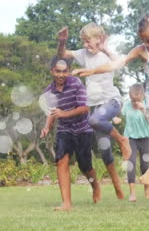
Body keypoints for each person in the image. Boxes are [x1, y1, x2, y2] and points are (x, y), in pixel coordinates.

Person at [72, 14, 149, 185]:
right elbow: (117, 64)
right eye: (143, 40)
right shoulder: (141, 50)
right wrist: (93, 71)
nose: (147, 44)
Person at [57, 23, 130, 199]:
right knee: (105, 151)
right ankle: (117, 188)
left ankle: (122, 139)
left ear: (99, 39)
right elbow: (62, 55)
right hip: (95, 106)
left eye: (88, 41)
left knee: (94, 120)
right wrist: (62, 41)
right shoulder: (84, 54)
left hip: (112, 101)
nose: (85, 45)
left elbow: (121, 63)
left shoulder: (107, 54)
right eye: (83, 42)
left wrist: (105, 50)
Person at [40, 56, 100, 211]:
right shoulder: (48, 92)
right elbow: (52, 113)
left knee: (85, 166)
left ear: (68, 72)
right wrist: (47, 127)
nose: (61, 75)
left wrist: (64, 114)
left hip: (83, 128)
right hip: (64, 130)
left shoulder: (76, 84)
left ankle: (95, 186)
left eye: (64, 71)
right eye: (58, 71)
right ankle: (66, 203)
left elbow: (85, 108)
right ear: (52, 71)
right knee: (61, 161)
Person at [120, 83, 149, 202]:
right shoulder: (127, 106)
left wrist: (143, 110)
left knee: (145, 165)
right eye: (133, 100)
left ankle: (147, 188)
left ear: (142, 97)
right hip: (130, 138)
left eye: (137, 100)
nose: (135, 103)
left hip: (144, 138)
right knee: (131, 164)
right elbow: (119, 116)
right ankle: (132, 193)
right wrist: (116, 119)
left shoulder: (147, 106)